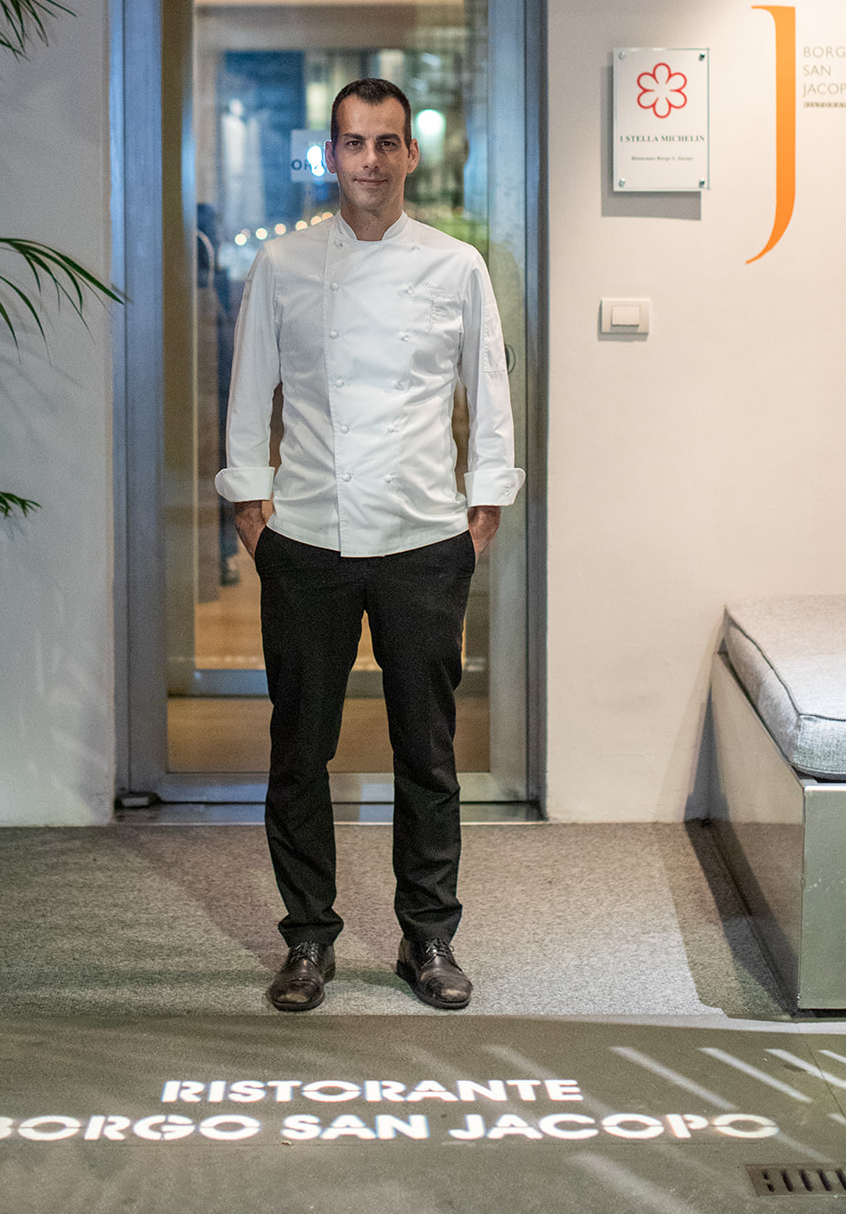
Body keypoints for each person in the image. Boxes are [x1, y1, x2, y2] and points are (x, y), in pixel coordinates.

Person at [215, 77, 523, 1013]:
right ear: (330, 155)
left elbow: (487, 391)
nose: (370, 161)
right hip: (306, 535)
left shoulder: (455, 266)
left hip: (423, 535)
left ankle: (427, 936)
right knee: (298, 750)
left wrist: (483, 507)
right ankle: (307, 938)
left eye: (387, 143)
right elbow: (249, 387)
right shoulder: (284, 264)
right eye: (354, 143)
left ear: (410, 155)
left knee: (425, 752)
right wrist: (249, 507)